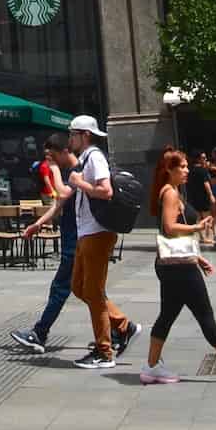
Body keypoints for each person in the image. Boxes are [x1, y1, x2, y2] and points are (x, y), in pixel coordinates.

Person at [141, 148, 216, 385]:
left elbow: (174, 234)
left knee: (167, 316)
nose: (187, 171)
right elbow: (169, 227)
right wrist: (197, 229)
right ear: (169, 170)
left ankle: (152, 366)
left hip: (174, 265)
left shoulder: (172, 191)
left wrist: (197, 257)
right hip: (178, 269)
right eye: (182, 167)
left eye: (187, 166)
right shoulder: (170, 194)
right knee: (204, 314)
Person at [65, 113, 137, 369]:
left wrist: (80, 183)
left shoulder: (94, 156)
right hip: (86, 231)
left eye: (72, 134)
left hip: (97, 231)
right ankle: (122, 325)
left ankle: (104, 352)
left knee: (93, 292)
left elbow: (105, 191)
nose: (69, 139)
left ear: (84, 135)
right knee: (78, 287)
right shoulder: (85, 158)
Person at [10, 134, 89, 355]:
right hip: (73, 237)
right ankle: (120, 328)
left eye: (52, 156)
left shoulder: (79, 170)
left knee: (62, 288)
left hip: (78, 238)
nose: (50, 161)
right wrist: (37, 224)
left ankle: (39, 333)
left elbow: (62, 193)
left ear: (64, 151)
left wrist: (53, 169)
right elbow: (59, 204)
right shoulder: (68, 170)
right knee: (86, 290)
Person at [188, 151, 215, 231]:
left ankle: (201, 237)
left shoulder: (190, 170)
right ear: (198, 159)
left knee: (198, 218)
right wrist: (211, 195)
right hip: (203, 196)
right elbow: (206, 184)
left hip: (193, 196)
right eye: (203, 158)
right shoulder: (203, 171)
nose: (206, 159)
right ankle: (207, 236)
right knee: (207, 217)